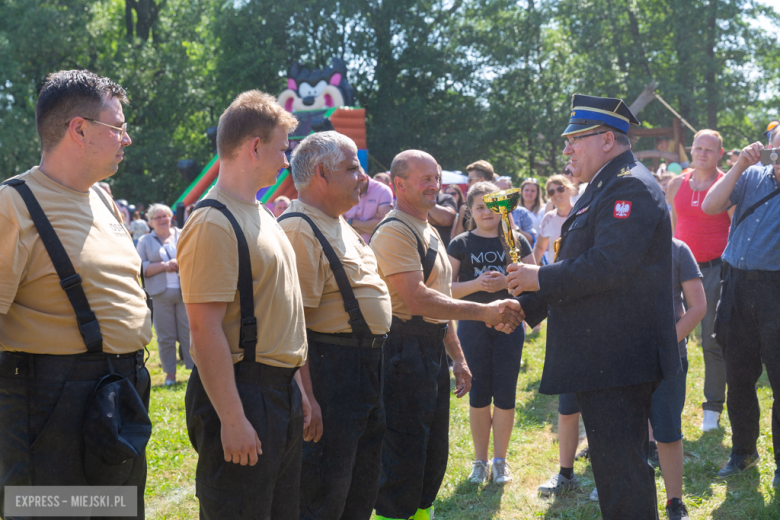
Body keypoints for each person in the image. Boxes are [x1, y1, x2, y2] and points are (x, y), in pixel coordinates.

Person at [505, 94, 681, 520]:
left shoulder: (630, 185)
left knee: (622, 477)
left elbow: (609, 265)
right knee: (613, 473)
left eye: (574, 140)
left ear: (606, 139)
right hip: (604, 357)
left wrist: (539, 278)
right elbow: (578, 265)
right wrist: (524, 308)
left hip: (619, 359)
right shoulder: (603, 185)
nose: (566, 150)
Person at [0, 69, 152, 518]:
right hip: (51, 406)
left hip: (119, 395)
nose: (126, 139)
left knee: (117, 512)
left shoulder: (103, 198)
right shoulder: (13, 204)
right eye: (118, 127)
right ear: (79, 129)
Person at [178, 90, 311, 519]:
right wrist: (233, 420)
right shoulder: (213, 221)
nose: (286, 162)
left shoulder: (262, 213)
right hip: (243, 394)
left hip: (277, 393)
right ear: (255, 146)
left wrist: (297, 391)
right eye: (282, 149)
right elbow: (204, 331)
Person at [370, 150, 522, 520]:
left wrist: (457, 357)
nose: (435, 185)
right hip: (402, 352)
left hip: (429, 350)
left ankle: (423, 514)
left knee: (431, 454)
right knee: (402, 457)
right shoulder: (394, 231)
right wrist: (485, 312)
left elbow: (438, 304)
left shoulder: (427, 229)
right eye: (425, 179)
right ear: (398, 184)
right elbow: (419, 300)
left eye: (436, 177)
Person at [278, 131, 392, 519]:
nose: (364, 177)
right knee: (326, 490)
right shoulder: (299, 228)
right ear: (322, 173)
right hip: (332, 372)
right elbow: (295, 326)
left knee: (360, 487)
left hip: (363, 370)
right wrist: (307, 397)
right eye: (352, 167)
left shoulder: (338, 222)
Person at [701, 128, 780, 485]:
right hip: (734, 286)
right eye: (775, 148)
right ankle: (743, 452)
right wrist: (737, 166)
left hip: (775, 290)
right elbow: (709, 205)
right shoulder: (749, 175)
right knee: (738, 376)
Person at [448, 181, 534, 485]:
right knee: (480, 392)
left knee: (506, 393)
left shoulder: (517, 240)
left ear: (503, 209)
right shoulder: (460, 243)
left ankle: (500, 461)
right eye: (479, 207)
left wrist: (505, 287)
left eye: (492, 206)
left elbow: (535, 284)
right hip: (472, 325)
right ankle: (480, 461)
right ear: (469, 211)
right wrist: (478, 285)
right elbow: (444, 289)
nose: (486, 212)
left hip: (509, 325)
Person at [666, 129, 733, 431]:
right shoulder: (676, 183)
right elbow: (672, 228)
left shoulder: (727, 184)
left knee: (711, 339)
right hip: (677, 271)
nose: (702, 153)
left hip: (713, 269)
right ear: (691, 151)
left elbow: (736, 228)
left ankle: (712, 408)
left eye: (709, 149)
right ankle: (665, 402)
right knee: (669, 334)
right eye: (698, 148)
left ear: (720, 153)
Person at [645, 237, 706, 520]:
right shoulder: (614, 245)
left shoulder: (679, 249)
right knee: (626, 432)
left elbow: (697, 306)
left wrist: (664, 347)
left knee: (667, 432)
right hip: (622, 358)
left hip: (669, 359)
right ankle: (632, 494)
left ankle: (674, 503)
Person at [137, 203, 193, 385]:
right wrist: (164, 266)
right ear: (150, 221)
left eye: (165, 216)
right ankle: (170, 375)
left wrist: (180, 261)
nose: (162, 220)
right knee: (165, 336)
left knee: (189, 334)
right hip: (160, 295)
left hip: (186, 293)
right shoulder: (144, 241)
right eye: (157, 217)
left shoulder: (183, 234)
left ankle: (195, 374)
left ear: (171, 217)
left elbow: (195, 257)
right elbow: (139, 267)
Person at [534, 175, 574, 265]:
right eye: (551, 192)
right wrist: (529, 271)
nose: (556, 194)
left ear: (570, 190)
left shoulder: (580, 214)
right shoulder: (548, 218)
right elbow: (540, 247)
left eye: (560, 189)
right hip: (553, 273)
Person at [343, 171, 394, 242]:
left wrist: (351, 221)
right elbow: (337, 225)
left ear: (363, 178)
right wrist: (370, 223)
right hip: (347, 248)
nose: (351, 188)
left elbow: (384, 227)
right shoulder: (344, 188)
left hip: (373, 251)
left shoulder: (383, 190)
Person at [428, 167, 458, 248]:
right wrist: (436, 217)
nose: (435, 182)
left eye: (438, 178)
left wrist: (425, 199)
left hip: (443, 252)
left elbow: (447, 219)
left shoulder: (447, 198)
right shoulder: (410, 201)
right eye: (428, 178)